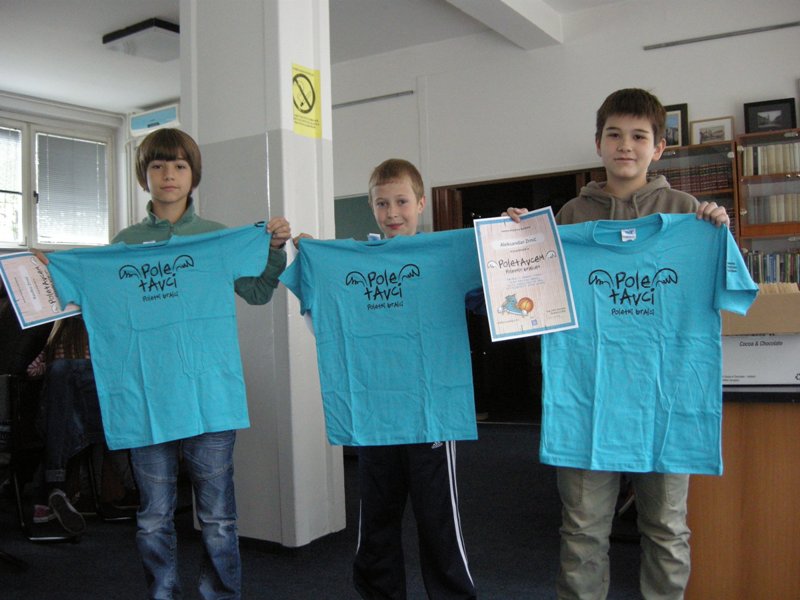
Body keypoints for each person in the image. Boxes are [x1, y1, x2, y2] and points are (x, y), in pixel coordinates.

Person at [41, 128, 291, 600]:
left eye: (178, 165)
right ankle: (162, 594)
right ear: (144, 176)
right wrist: (44, 268)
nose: (168, 175)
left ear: (194, 174)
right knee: (153, 518)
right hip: (145, 398)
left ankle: (221, 595)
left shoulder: (216, 237)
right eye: (157, 166)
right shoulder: (124, 243)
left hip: (209, 397)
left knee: (219, 518)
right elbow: (88, 294)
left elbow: (258, 293)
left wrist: (273, 251)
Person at [507, 88, 733, 600]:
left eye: (638, 136)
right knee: (582, 531)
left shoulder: (689, 213)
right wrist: (518, 240)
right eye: (614, 135)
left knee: (667, 529)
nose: (625, 145)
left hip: (666, 398)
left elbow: (723, 289)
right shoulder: (570, 216)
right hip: (589, 397)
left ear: (659, 148)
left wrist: (718, 234)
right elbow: (528, 301)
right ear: (598, 143)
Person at [290, 159, 477, 600]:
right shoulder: (352, 261)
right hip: (374, 412)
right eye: (381, 203)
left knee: (439, 523)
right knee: (376, 521)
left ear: (421, 203)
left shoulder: (446, 255)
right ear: (371, 206)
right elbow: (323, 318)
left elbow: (501, 283)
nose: (392, 212)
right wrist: (316, 260)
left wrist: (515, 234)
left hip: (431, 415)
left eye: (401, 202)